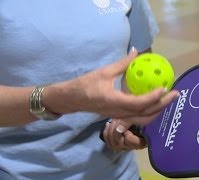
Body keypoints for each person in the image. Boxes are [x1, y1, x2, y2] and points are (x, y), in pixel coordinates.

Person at [0, 0, 179, 179]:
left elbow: (139, 65)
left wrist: (131, 120)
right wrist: (52, 100)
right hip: (17, 172)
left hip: (119, 172)